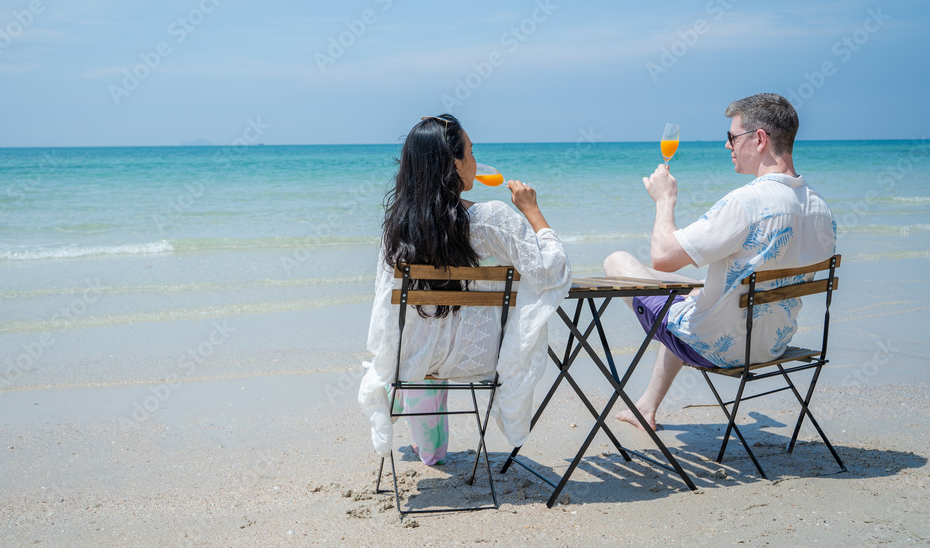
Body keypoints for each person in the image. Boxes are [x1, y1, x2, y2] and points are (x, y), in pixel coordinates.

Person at [603, 93, 836, 432]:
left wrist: (664, 200)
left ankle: (647, 403)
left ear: (759, 139)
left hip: (719, 348)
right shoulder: (821, 209)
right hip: (771, 344)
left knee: (618, 260)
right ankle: (646, 407)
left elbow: (664, 257)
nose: (728, 146)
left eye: (732, 137)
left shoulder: (747, 203)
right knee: (696, 295)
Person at [358, 114, 572, 465]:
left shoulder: (397, 231)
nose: (474, 160)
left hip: (412, 359)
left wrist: (391, 359)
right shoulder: (492, 219)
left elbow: (384, 311)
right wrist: (533, 211)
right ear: (455, 164)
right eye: (470, 152)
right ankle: (430, 442)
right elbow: (554, 271)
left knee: (426, 335)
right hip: (479, 360)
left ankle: (422, 440)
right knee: (449, 331)